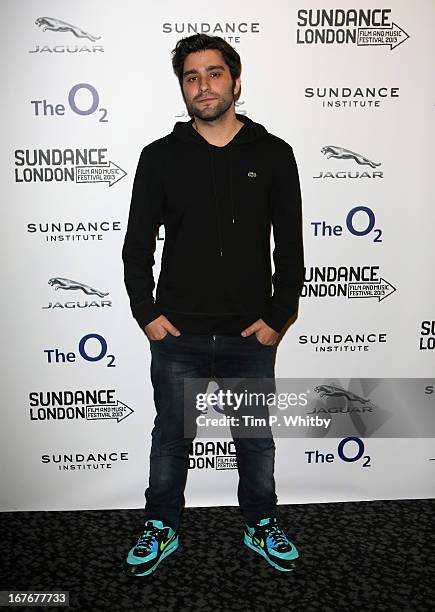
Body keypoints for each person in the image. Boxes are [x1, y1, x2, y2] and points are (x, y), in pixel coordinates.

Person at [122, 33, 304, 576]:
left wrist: (277, 318)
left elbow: (290, 248)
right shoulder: (159, 157)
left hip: (251, 336)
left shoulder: (274, 154)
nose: (203, 85)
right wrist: (146, 314)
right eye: (192, 77)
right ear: (183, 88)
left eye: (214, 73)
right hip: (178, 335)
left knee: (254, 441)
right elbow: (136, 246)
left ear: (236, 80)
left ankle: (260, 521)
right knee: (171, 440)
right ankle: (161, 525)